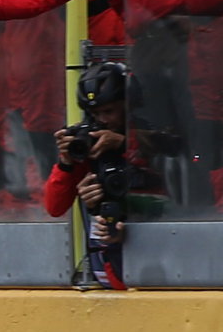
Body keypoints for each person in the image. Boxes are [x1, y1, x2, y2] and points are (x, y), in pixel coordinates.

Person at [43, 62, 164, 290]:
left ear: (127, 105)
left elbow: (182, 179)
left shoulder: (156, 135)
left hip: (158, 253)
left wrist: (125, 143)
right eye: (96, 113)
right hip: (109, 263)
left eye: (109, 111)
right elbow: (54, 207)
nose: (103, 120)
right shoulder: (90, 142)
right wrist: (66, 163)